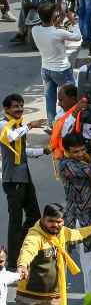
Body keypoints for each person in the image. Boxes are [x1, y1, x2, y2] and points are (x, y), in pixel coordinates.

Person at [15, 203, 91, 305]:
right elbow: (27, 250)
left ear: (63, 221)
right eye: (51, 221)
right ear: (43, 219)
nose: (55, 225)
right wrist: (22, 265)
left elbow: (80, 233)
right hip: (29, 299)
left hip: (53, 299)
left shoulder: (63, 233)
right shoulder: (35, 236)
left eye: (59, 221)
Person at [0, 94, 46, 268]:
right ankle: (12, 260)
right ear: (6, 109)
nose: (19, 109)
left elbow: (24, 151)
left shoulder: (19, 126)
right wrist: (30, 125)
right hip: (13, 180)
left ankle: (22, 247)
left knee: (34, 216)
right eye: (15, 107)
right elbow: (11, 137)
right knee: (15, 220)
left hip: (25, 177)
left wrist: (45, 150)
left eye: (21, 106)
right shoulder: (4, 125)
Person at [58, 133, 91, 293]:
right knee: (89, 262)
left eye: (83, 150)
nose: (81, 154)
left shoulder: (81, 160)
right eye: (76, 152)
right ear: (67, 151)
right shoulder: (67, 164)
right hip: (80, 219)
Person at [31, 4, 80, 121]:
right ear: (53, 16)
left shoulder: (35, 30)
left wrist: (55, 24)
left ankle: (52, 124)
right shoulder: (58, 33)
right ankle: (70, 123)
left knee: (50, 98)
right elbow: (77, 37)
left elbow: (48, 30)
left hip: (45, 70)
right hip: (62, 71)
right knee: (70, 99)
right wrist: (73, 21)